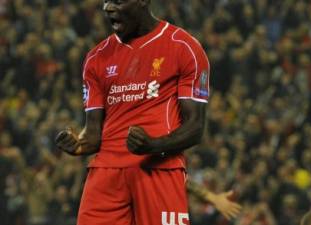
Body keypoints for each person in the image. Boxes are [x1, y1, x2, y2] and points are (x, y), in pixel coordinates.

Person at [55, 0, 210, 224]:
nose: (108, 7)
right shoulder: (96, 58)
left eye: (117, 1)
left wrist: (153, 146)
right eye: (106, 1)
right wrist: (78, 144)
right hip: (107, 172)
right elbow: (92, 135)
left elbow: (195, 127)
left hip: (158, 169)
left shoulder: (183, 47)